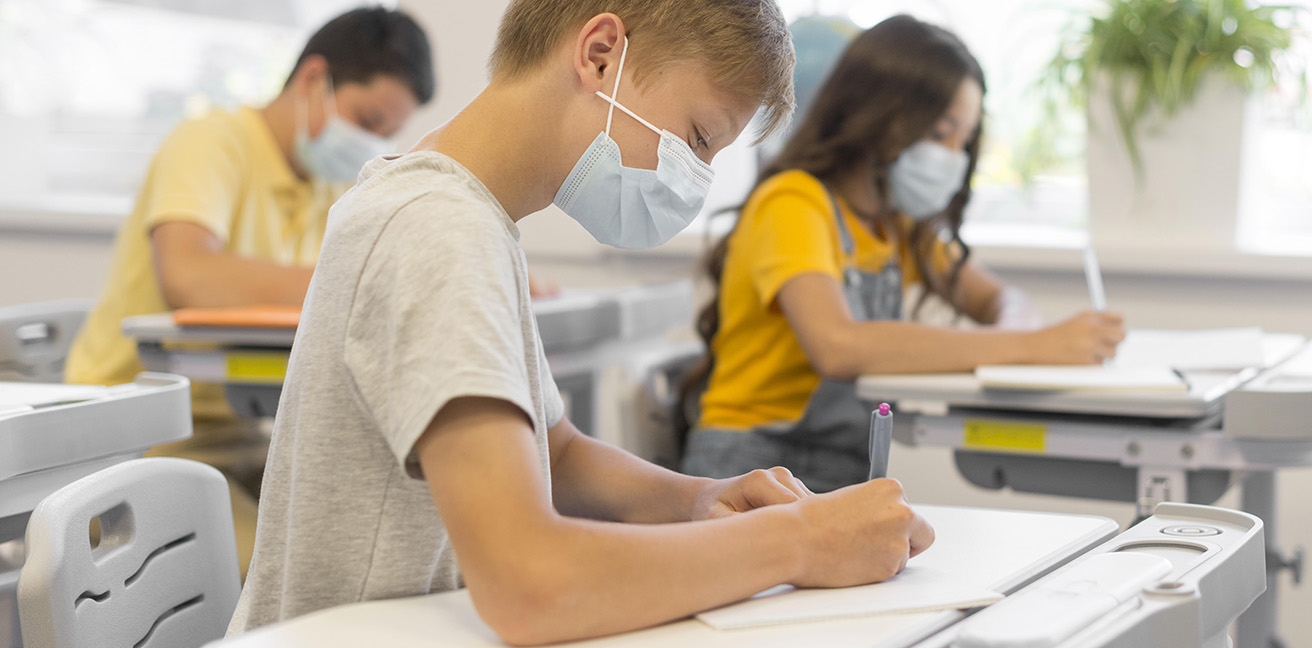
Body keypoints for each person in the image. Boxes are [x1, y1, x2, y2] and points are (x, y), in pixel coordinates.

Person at [226, 1, 935, 644]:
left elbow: (554, 451)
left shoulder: (467, 215)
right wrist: (799, 542)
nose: (692, 179)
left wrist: (698, 498)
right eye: (696, 138)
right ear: (599, 54)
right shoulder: (434, 229)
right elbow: (529, 583)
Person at [678, 16, 1126, 493]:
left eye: (964, 141)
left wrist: (1018, 328)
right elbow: (838, 346)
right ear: (881, 115)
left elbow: (999, 298)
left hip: (838, 472)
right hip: (746, 468)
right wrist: (1031, 347)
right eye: (940, 134)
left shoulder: (898, 225)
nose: (953, 157)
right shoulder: (793, 202)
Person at [63, 6, 435, 576]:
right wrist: (366, 276)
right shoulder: (212, 142)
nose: (370, 143)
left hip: (244, 430)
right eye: (367, 119)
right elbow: (189, 275)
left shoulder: (331, 184)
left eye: (387, 135)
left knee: (388, 545)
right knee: (292, 577)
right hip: (135, 435)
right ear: (314, 78)